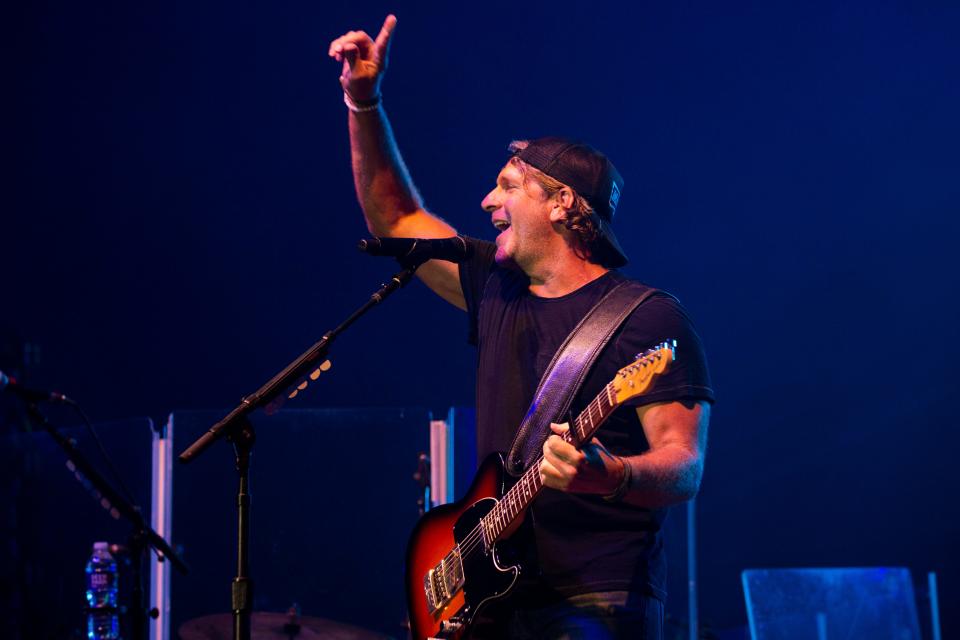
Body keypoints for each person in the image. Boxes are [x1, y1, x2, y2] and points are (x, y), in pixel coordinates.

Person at [329, 15, 714, 640]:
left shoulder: (650, 319)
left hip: (595, 602)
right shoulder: (495, 284)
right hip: (494, 596)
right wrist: (363, 101)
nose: (486, 201)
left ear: (563, 205)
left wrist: (608, 474)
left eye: (508, 187)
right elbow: (396, 216)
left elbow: (684, 465)